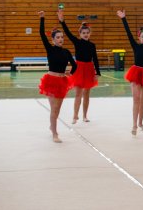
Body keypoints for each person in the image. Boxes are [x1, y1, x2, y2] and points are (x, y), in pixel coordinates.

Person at [116, 9, 143, 136]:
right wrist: (123, 19)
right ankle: (134, 124)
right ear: (139, 38)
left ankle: (141, 122)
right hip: (136, 73)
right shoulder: (136, 46)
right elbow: (128, 33)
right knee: (136, 99)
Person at [38, 11, 77, 143]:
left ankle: (52, 125)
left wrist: (70, 74)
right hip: (50, 80)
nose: (60, 39)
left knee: (57, 109)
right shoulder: (50, 49)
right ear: (53, 39)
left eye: (62, 37)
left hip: (61, 81)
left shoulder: (66, 52)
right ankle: (54, 132)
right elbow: (42, 34)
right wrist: (42, 18)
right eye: (58, 37)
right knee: (54, 109)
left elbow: (74, 65)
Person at [57, 10, 101, 124]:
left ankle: (85, 115)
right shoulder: (77, 42)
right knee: (78, 93)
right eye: (83, 33)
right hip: (79, 68)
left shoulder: (92, 45)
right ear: (80, 34)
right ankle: (75, 115)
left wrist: (98, 72)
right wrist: (62, 22)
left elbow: (95, 59)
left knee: (87, 94)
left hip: (89, 69)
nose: (85, 34)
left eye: (87, 33)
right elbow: (67, 33)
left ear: (89, 33)